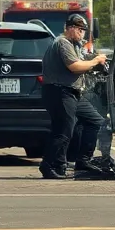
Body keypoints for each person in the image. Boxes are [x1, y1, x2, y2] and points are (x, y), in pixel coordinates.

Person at [39, 13, 108, 179]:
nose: (82, 33)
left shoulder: (74, 45)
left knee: (95, 121)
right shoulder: (62, 43)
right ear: (69, 28)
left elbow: (83, 61)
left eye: (84, 30)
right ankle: (49, 165)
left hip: (73, 92)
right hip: (60, 91)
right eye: (79, 29)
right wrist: (95, 61)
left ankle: (83, 161)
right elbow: (75, 66)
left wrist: (97, 64)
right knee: (63, 130)